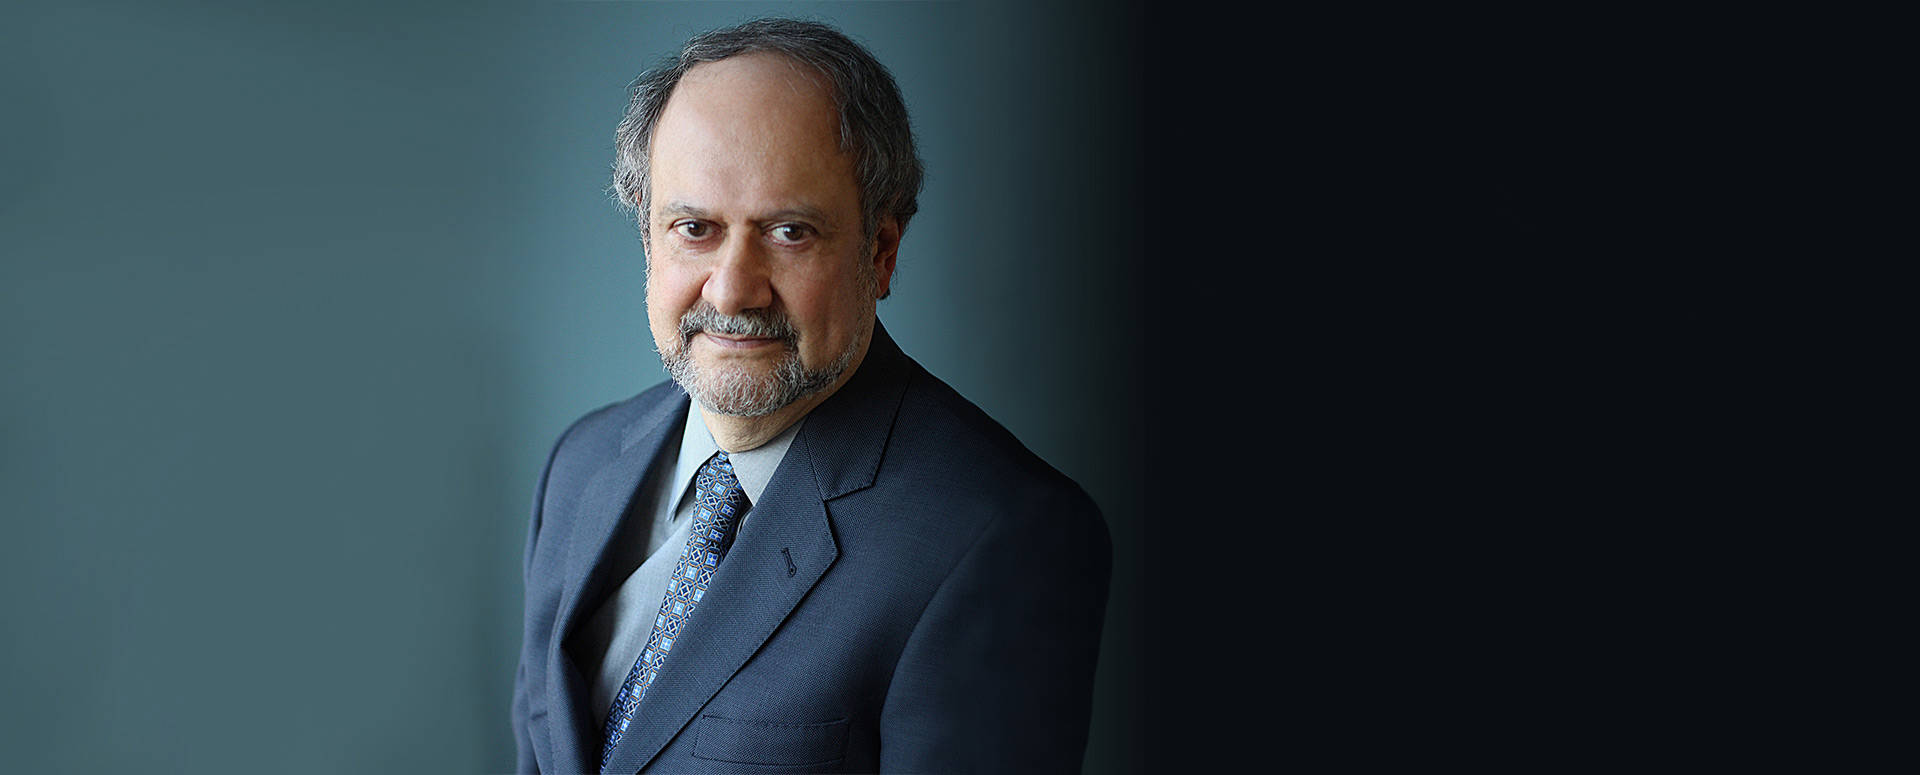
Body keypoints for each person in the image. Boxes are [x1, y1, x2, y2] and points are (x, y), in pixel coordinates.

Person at [512, 18, 1111, 773]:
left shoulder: (999, 537)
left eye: (789, 232)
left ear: (880, 251)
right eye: (694, 227)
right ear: (648, 239)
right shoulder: (581, 465)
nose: (733, 289)